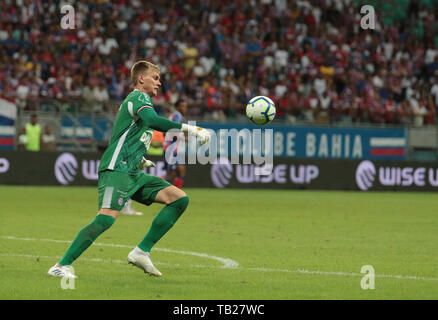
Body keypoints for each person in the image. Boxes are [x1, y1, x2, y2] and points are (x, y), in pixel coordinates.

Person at [47, 61, 211, 278]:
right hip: (117, 169)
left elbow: (126, 134)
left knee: (179, 199)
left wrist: (141, 159)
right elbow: (153, 121)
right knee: (106, 218)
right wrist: (191, 129)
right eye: (155, 77)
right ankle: (60, 266)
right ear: (141, 79)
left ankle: (141, 252)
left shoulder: (138, 104)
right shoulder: (138, 97)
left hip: (133, 171)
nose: (159, 83)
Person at [163, 99, 188, 188]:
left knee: (181, 170)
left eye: (186, 106)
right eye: (183, 106)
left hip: (174, 148)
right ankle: (151, 186)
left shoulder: (176, 116)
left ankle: (177, 194)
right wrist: (185, 138)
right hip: (170, 148)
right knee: (170, 174)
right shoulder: (177, 116)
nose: (185, 108)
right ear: (177, 107)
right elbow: (173, 132)